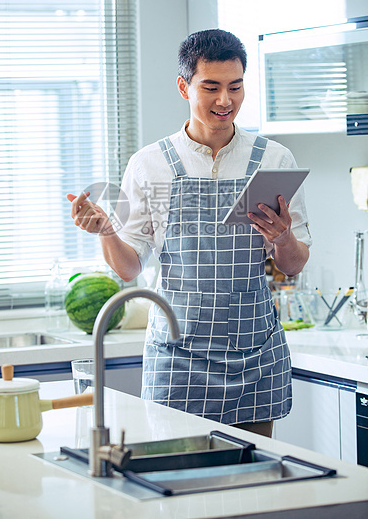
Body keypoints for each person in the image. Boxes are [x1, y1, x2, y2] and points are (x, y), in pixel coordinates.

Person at [67, 29, 311, 438]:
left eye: (235, 87)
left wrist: (283, 237)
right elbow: (129, 269)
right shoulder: (149, 164)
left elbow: (294, 265)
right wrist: (106, 231)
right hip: (177, 357)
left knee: (252, 481)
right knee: (179, 488)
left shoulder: (273, 159)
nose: (225, 101)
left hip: (253, 353)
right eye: (210, 87)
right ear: (184, 86)